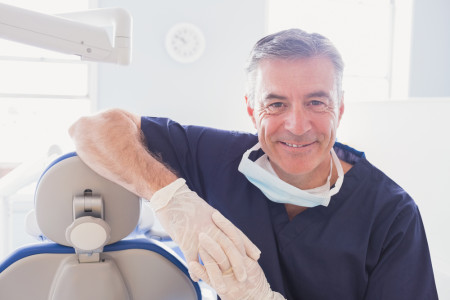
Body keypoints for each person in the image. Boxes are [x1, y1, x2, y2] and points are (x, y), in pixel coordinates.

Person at [69, 28, 438, 299]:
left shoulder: (391, 215)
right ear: (250, 109)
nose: (296, 125)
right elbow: (92, 129)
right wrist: (169, 196)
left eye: (316, 103)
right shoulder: (216, 157)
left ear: (339, 109)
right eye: (276, 104)